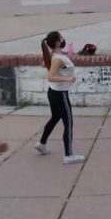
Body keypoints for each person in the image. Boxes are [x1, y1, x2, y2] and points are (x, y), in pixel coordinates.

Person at [34, 30, 85, 164]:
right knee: (68, 123)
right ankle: (69, 155)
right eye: (61, 37)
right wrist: (68, 78)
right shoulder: (58, 59)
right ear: (57, 42)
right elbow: (50, 76)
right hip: (60, 95)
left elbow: (44, 64)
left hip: (53, 93)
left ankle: (42, 144)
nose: (63, 39)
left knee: (55, 117)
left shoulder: (54, 55)